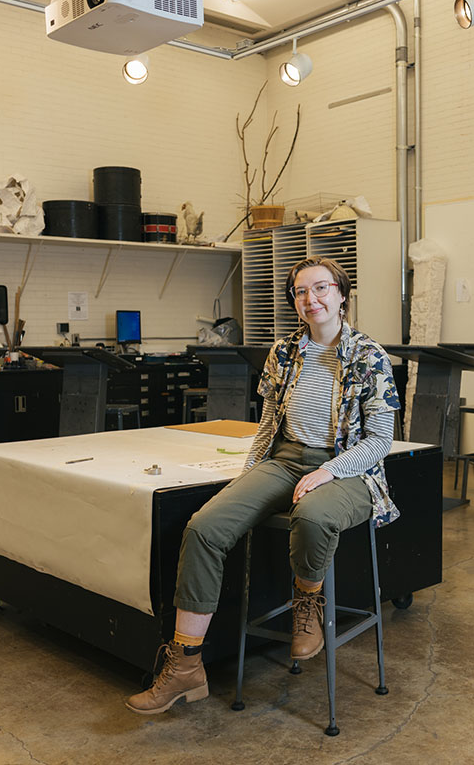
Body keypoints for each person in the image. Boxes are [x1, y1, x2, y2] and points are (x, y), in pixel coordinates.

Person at [126, 256, 401, 715]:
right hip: (286, 459)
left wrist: (328, 472)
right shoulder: (284, 352)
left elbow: (380, 441)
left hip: (351, 469)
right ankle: (185, 666)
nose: (310, 299)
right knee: (205, 528)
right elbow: (269, 422)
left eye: (321, 288)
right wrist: (249, 477)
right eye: (300, 292)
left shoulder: (368, 356)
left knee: (312, 515)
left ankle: (307, 600)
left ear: (341, 295)